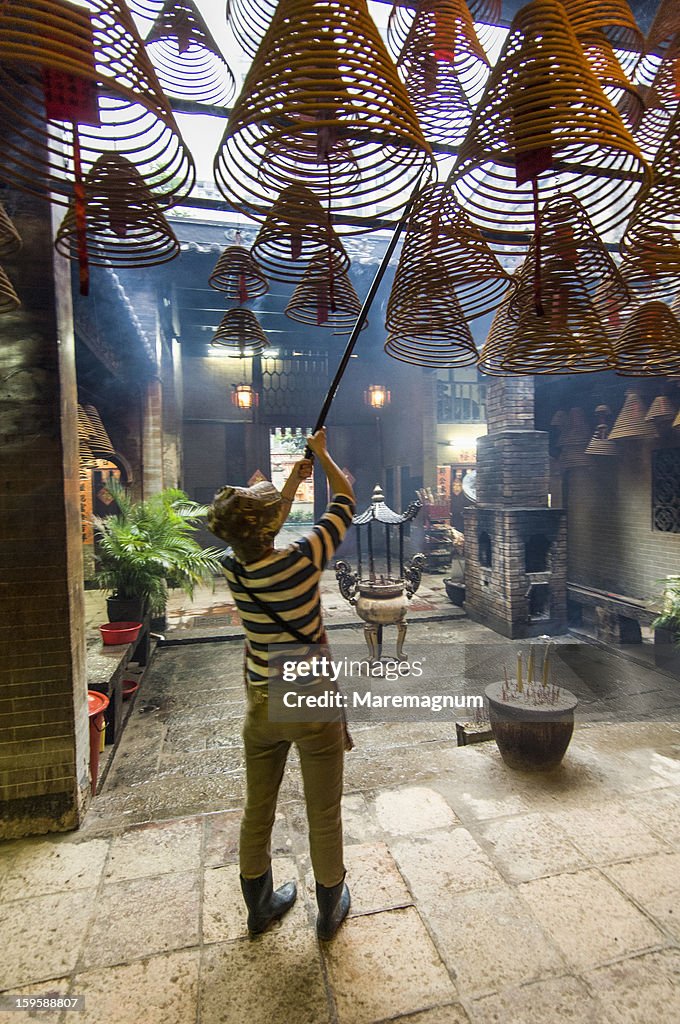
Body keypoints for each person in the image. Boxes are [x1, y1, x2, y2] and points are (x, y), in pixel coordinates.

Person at [207, 428, 356, 940]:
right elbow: (346, 498)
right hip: (311, 707)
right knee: (324, 811)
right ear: (270, 527)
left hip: (262, 706)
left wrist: (290, 481)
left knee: (258, 807)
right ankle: (331, 905)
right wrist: (321, 455)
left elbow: (255, 530)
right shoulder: (301, 560)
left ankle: (260, 903)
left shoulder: (234, 568)